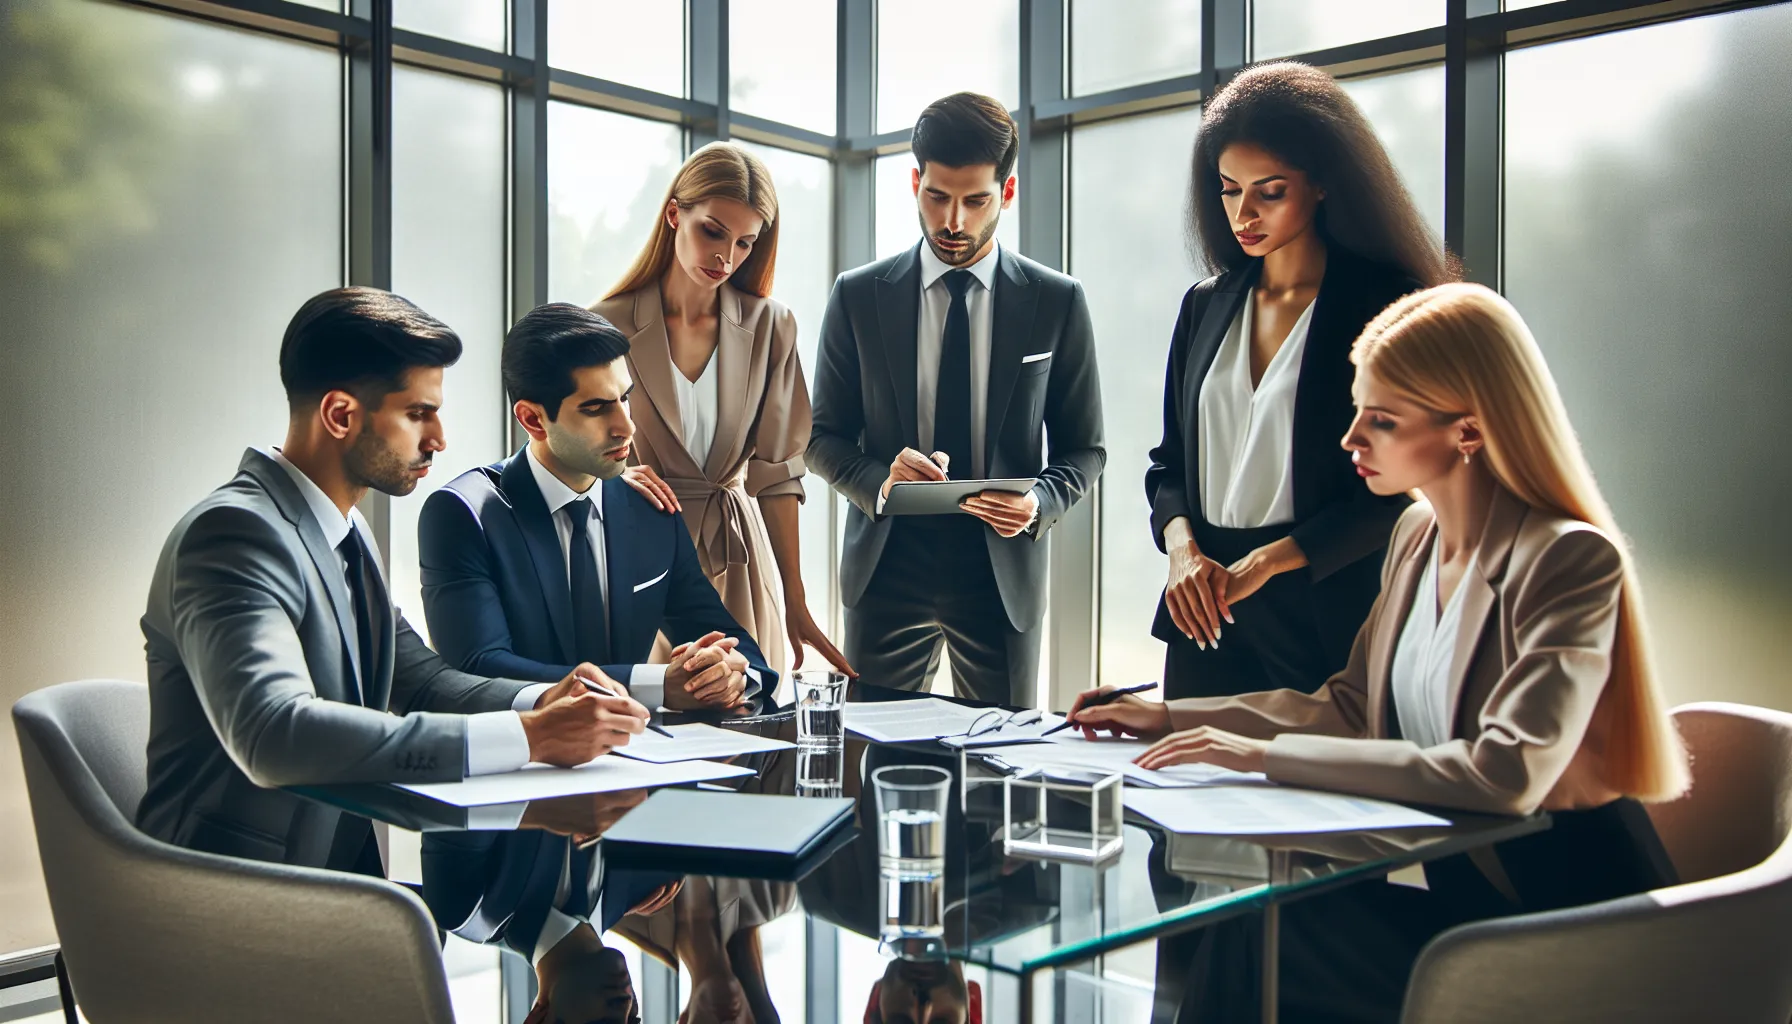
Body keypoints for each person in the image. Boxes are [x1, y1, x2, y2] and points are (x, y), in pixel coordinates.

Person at [1070, 283, 1691, 1022]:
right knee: (1246, 927)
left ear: (1468, 431)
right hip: (1470, 913)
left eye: (1383, 420)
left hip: (1572, 928)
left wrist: (1259, 757)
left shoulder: (1570, 562)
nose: (1349, 438)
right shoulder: (1415, 537)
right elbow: (1351, 705)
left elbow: (1506, 775)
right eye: (1358, 408)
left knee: (1268, 946)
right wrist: (1170, 717)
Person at [138, 287, 647, 874]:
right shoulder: (233, 534)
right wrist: (531, 739)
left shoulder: (344, 534)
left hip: (332, 893)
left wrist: (543, 701)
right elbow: (274, 733)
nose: (439, 439)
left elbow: (422, 682)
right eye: (417, 414)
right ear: (339, 415)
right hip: (223, 905)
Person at [1145, 61, 1453, 700]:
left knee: (1313, 793)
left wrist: (1273, 560)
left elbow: (1401, 487)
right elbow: (1168, 466)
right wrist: (1181, 551)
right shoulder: (1204, 304)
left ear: (1320, 185)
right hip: (1203, 606)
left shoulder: (1385, 303)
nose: (1243, 212)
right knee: (1178, 790)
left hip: (1324, 607)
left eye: (1269, 190)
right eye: (1229, 189)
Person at [808, 92, 1105, 704]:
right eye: (937, 197)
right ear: (915, 182)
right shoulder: (857, 296)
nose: (954, 222)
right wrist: (880, 482)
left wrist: (1040, 502)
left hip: (1001, 570)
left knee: (999, 771)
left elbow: (1086, 447)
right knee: (876, 757)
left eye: (976, 201)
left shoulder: (1057, 300)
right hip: (886, 562)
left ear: (1008, 192)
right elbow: (821, 437)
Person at [419, 302, 773, 714]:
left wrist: (730, 673)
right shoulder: (463, 515)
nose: (627, 426)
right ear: (533, 420)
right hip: (520, 763)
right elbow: (479, 667)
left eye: (625, 398)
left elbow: (728, 637)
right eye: (596, 408)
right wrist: (654, 685)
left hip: (642, 762)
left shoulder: (652, 509)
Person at [594, 141, 850, 681]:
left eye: (744, 243)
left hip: (739, 560)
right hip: (635, 555)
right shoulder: (602, 325)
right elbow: (565, 456)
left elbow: (777, 477)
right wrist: (615, 480)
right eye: (713, 231)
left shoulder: (771, 326)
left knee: (748, 727)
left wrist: (796, 599)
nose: (727, 258)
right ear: (674, 214)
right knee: (645, 731)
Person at [419, 790, 682, 1024]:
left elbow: (458, 771)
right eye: (633, 1023)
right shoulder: (653, 880)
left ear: (539, 1018)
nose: (625, 1008)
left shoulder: (464, 906)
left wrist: (552, 802)